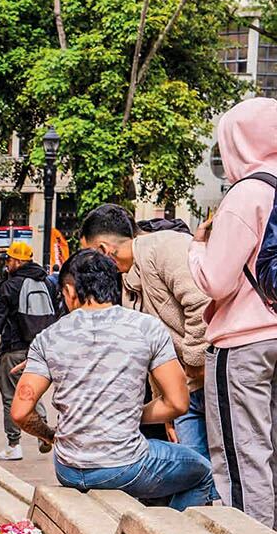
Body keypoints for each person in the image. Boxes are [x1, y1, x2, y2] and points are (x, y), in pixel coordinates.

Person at [9, 249, 214, 510]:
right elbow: (177, 403)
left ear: (70, 290)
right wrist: (122, 415)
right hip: (125, 466)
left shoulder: (48, 337)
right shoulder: (146, 327)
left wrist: (51, 436)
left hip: (68, 469)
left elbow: (20, 411)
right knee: (203, 473)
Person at [186, 97, 277, 524]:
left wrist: (197, 247)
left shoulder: (248, 194)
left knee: (244, 452)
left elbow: (216, 281)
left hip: (244, 342)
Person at [79, 202, 215, 485]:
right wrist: (167, 405)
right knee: (195, 474)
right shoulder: (128, 284)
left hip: (212, 376)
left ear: (104, 249)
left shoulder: (166, 247)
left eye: (89, 255)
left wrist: (193, 364)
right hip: (186, 392)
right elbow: (152, 351)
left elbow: (201, 303)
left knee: (226, 470)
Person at [0, 239, 60, 461]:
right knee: (34, 392)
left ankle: (13, 444)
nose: (7, 264)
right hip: (40, 348)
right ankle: (43, 434)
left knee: (10, 395)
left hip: (14, 348)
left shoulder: (10, 285)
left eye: (9, 259)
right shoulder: (48, 283)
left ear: (17, 261)